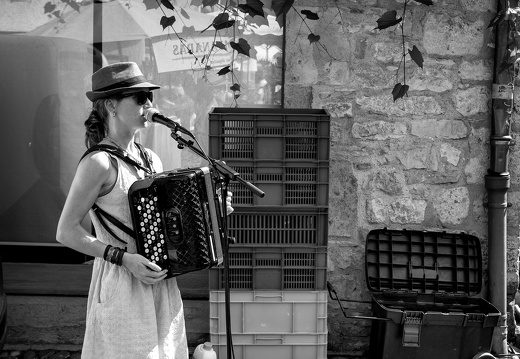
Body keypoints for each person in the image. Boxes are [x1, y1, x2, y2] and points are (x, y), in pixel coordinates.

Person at [56, 62, 232, 359]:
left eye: (150, 96)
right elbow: (66, 231)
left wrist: (211, 213)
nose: (149, 104)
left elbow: (164, 225)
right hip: (122, 283)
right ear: (111, 105)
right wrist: (125, 259)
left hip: (160, 283)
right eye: (139, 98)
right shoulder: (99, 163)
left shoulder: (150, 158)